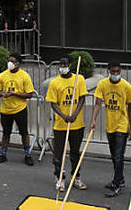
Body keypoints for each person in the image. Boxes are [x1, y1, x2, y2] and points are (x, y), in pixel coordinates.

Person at [90, 61, 131, 197]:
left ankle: (117, 184)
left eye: (118, 72)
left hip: (122, 125)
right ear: (108, 71)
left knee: (118, 156)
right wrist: (93, 119)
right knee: (114, 156)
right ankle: (119, 179)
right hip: (110, 125)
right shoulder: (103, 84)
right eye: (113, 72)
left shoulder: (126, 86)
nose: (115, 74)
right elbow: (97, 103)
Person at [47, 56, 89, 191]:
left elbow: (82, 98)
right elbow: (53, 104)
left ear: (70, 65)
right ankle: (59, 178)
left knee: (75, 153)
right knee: (59, 153)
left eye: (64, 64)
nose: (62, 66)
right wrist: (63, 116)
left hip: (77, 124)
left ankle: (76, 177)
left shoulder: (79, 79)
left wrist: (75, 114)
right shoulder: (54, 83)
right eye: (60, 64)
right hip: (60, 125)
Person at [0, 53, 35, 166]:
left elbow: (29, 94)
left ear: (18, 63)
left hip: (20, 109)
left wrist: (15, 94)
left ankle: (28, 154)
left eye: (13, 61)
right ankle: (3, 154)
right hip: (5, 110)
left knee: (24, 133)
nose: (10, 63)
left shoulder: (24, 76)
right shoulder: (3, 75)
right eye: (9, 61)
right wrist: (2, 94)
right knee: (6, 133)